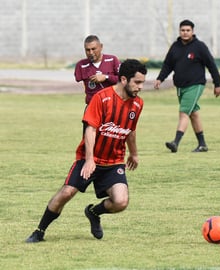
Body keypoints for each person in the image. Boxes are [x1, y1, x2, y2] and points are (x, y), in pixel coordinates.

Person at [26, 59, 147, 243]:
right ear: (123, 79)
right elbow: (90, 129)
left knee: (121, 202)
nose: (140, 87)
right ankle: (39, 231)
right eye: (137, 82)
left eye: (142, 82)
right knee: (67, 193)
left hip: (114, 162)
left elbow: (130, 130)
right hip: (89, 158)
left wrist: (135, 153)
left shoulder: (137, 104)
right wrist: (90, 160)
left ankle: (93, 212)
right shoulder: (102, 98)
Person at [154, 19, 220, 153]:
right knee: (193, 114)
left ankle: (175, 142)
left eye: (188, 30)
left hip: (195, 85)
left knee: (184, 112)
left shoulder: (200, 47)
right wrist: (160, 78)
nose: (185, 33)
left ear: (193, 31)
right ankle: (202, 145)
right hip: (180, 87)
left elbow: (211, 65)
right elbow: (168, 65)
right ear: (179, 31)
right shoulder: (175, 46)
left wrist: (217, 84)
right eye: (183, 30)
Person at [75, 35, 121, 105]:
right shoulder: (81, 65)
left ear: (101, 47)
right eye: (87, 50)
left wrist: (106, 77)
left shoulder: (112, 60)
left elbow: (123, 80)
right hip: (92, 106)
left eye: (93, 49)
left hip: (111, 105)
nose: (91, 53)